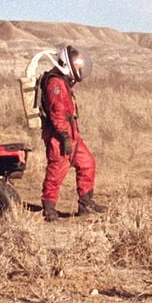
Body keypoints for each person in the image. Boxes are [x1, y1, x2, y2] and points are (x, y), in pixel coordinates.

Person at [39, 44, 104, 221]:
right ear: (67, 64)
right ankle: (49, 208)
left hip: (71, 134)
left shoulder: (63, 82)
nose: (79, 69)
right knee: (57, 171)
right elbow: (57, 112)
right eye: (77, 66)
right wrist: (64, 136)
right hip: (60, 136)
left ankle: (86, 204)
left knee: (87, 163)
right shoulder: (55, 84)